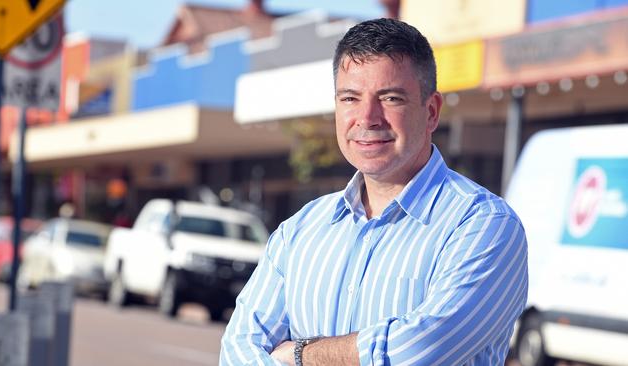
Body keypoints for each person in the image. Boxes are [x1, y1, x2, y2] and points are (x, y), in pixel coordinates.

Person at [220, 18, 528, 365]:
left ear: (431, 112)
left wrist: (302, 354)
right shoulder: (300, 232)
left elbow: (419, 352)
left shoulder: (485, 226)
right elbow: (238, 350)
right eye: (350, 98)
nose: (367, 117)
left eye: (390, 98)